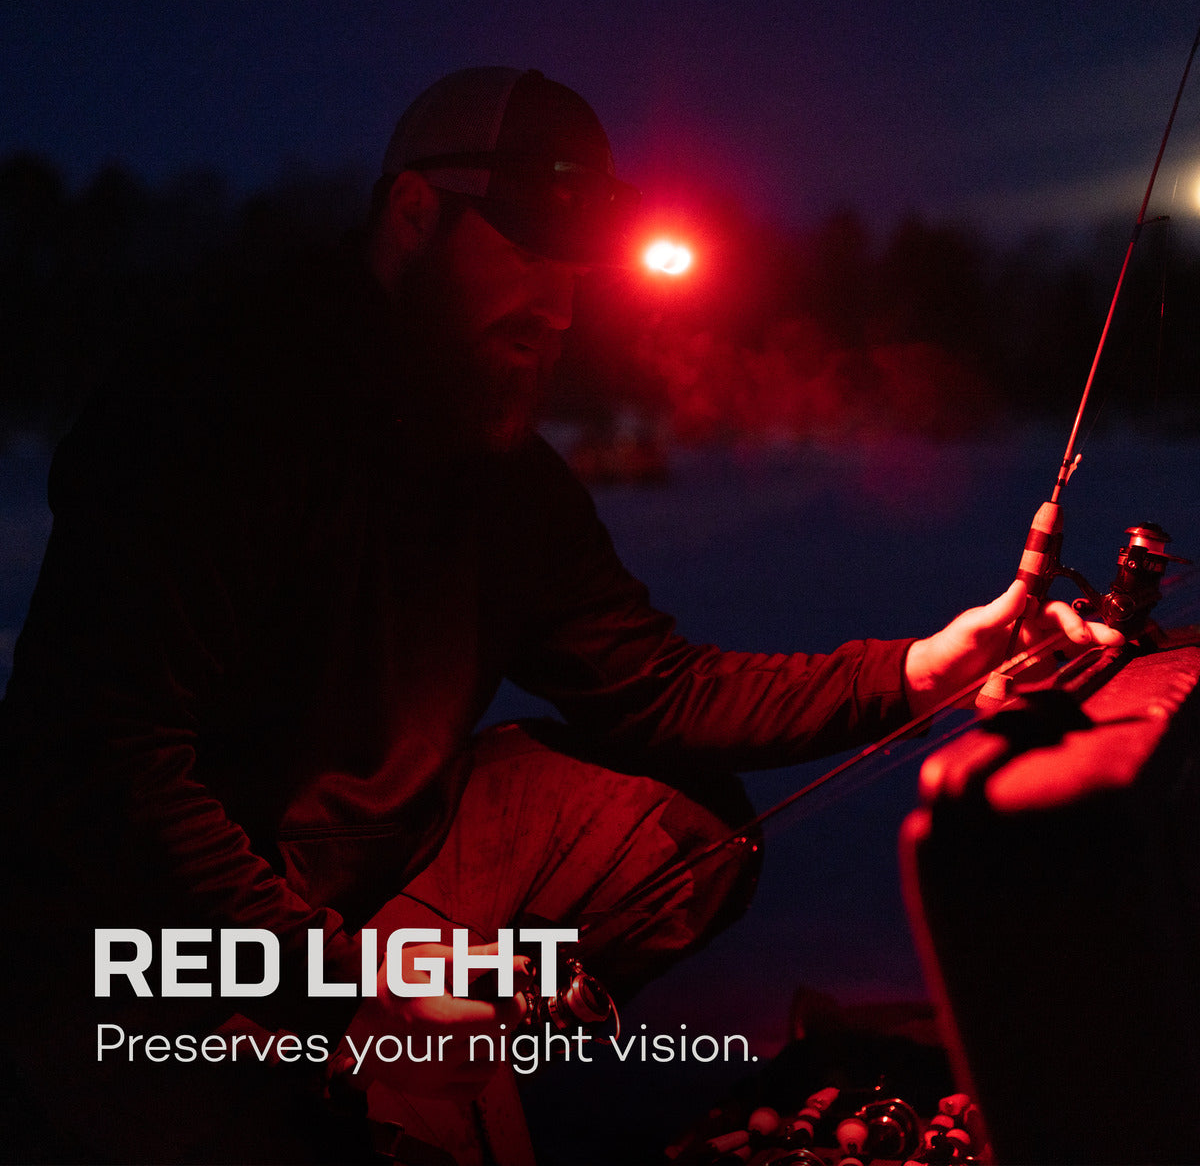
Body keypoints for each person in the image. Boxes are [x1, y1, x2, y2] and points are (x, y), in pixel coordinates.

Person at [0, 67, 1120, 1165]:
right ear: (413, 215)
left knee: (686, 824)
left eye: (578, 268)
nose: (561, 306)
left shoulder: (501, 476)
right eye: (530, 249)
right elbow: (104, 760)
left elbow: (659, 686)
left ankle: (411, 1054)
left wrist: (925, 667)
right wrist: (338, 988)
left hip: (356, 886)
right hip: (139, 930)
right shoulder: (220, 414)